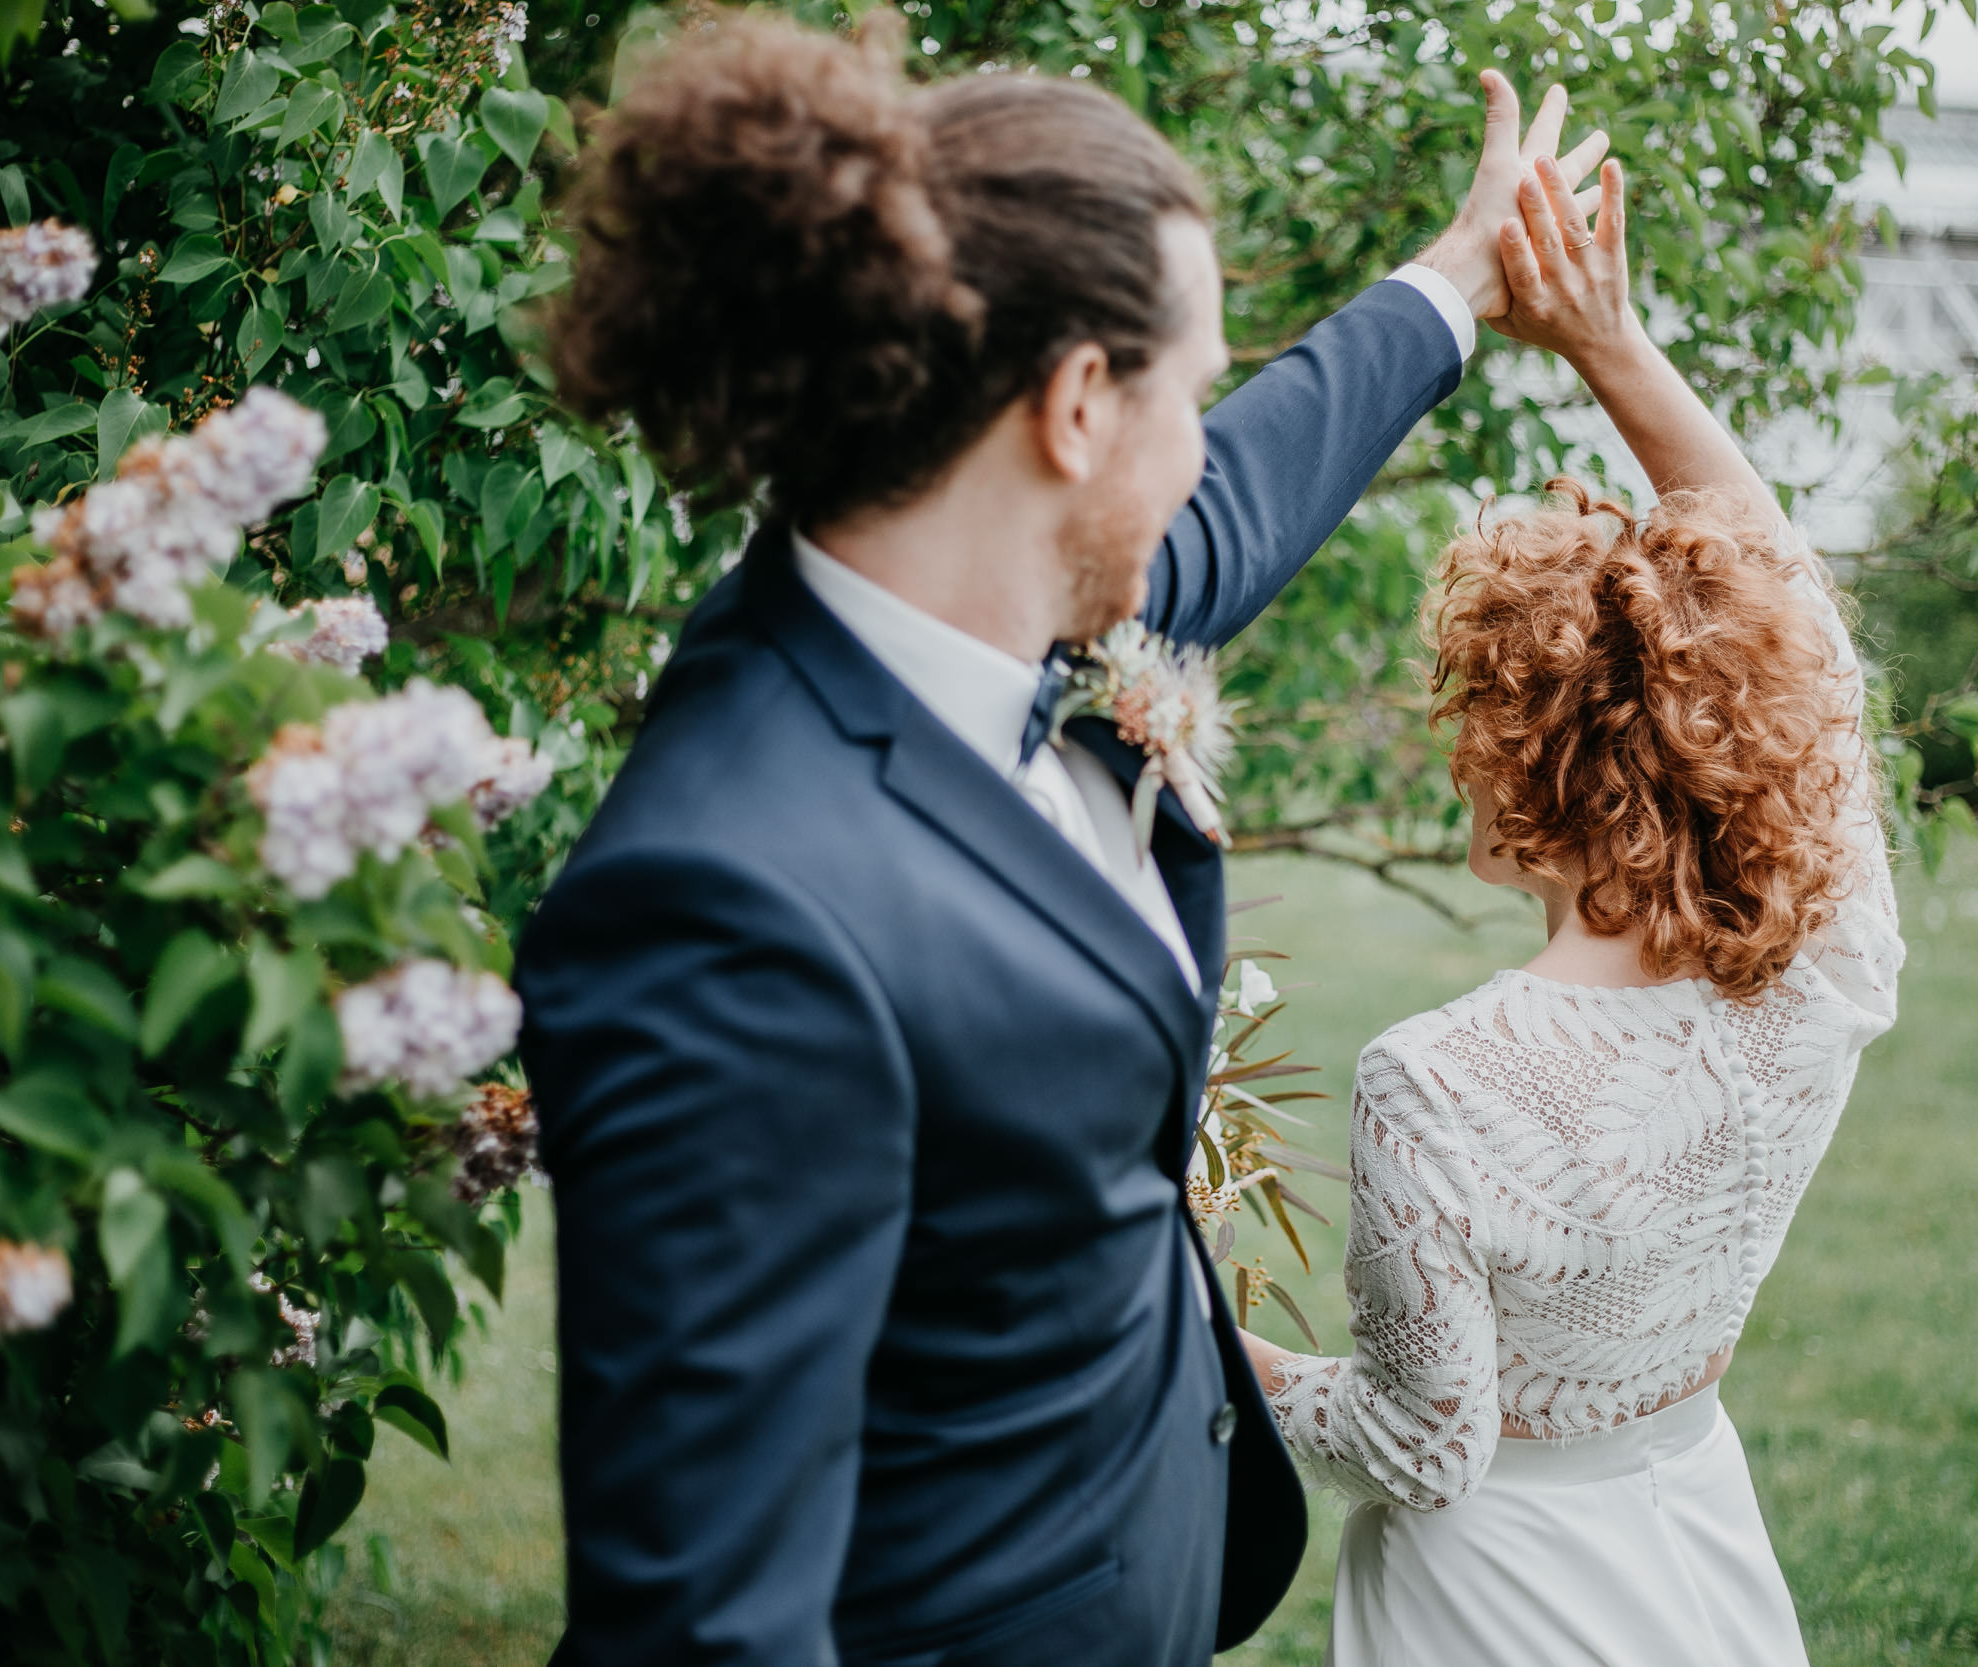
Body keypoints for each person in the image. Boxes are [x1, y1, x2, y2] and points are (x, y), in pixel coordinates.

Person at [515, 11, 1608, 1663]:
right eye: (1196, 387)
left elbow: (1231, 504)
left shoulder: (976, 589)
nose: (1205, 444)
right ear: (1078, 407)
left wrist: (1457, 280)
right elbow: (701, 1626)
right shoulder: (726, 912)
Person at [1238, 149, 1907, 1665]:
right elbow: (1797, 621)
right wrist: (1611, 340)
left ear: (1534, 765)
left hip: (1502, 1601)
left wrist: (1232, 1360)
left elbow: (1420, 1451)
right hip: (1694, 1539)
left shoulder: (1442, 1085)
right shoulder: (1822, 967)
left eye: (1474, 716)